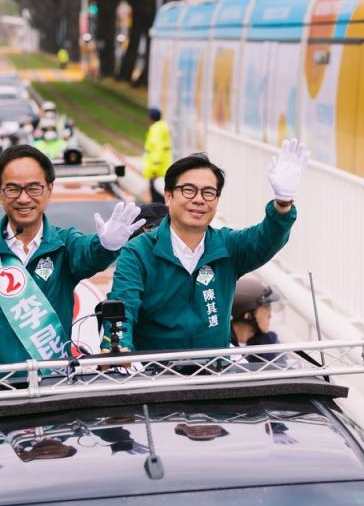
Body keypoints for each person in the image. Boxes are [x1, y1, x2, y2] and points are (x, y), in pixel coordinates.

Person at [0, 144, 146, 366]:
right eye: (13, 189)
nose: (24, 198)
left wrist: (106, 244)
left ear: (49, 190)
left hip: (52, 384)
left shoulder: (65, 245)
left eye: (34, 188)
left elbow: (90, 253)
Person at [103, 140, 308, 352]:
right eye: (188, 190)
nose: (199, 200)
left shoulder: (228, 246)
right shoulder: (137, 252)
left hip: (213, 375)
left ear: (217, 201)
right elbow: (123, 307)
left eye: (208, 192)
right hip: (155, 375)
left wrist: (283, 202)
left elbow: (266, 238)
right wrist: (119, 350)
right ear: (168, 196)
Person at [230, 276, 281, 360]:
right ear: (248, 315)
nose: (270, 316)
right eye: (267, 309)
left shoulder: (270, 342)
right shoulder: (222, 345)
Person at [143, 108, 171, 203]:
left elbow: (157, 150)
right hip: (161, 170)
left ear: (150, 118)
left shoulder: (156, 130)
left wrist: (154, 170)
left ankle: (159, 218)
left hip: (156, 172)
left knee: (156, 201)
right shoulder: (161, 127)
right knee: (160, 199)